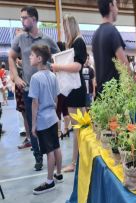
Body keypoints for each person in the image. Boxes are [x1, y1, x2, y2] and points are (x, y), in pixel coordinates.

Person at [8, 6, 60, 171]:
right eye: (21, 18)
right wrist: (15, 77)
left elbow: (59, 57)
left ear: (34, 19)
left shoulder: (47, 39)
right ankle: (38, 157)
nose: (22, 21)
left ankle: (52, 153)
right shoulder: (20, 39)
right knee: (33, 126)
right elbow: (11, 56)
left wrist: (51, 70)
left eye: (25, 17)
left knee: (50, 121)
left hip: (47, 91)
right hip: (29, 90)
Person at [51, 15, 87, 173]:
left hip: (75, 90)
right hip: (74, 89)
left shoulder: (78, 42)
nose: (64, 31)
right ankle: (79, 160)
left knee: (79, 128)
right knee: (82, 127)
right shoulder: (76, 42)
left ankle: (75, 162)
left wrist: (58, 67)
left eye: (65, 28)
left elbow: (78, 66)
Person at [28, 44, 63, 194]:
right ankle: (59, 174)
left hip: (43, 118)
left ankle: (49, 181)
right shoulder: (52, 75)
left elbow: (35, 102)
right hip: (52, 116)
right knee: (56, 147)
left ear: (39, 59)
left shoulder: (35, 78)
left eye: (32, 55)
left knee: (49, 150)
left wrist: (33, 124)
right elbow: (56, 98)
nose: (29, 57)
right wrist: (52, 111)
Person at [92, 0, 129, 96]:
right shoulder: (112, 32)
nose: (118, 10)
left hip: (101, 93)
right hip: (113, 94)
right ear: (111, 6)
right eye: (116, 6)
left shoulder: (96, 34)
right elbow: (123, 64)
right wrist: (133, 82)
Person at [55, 41, 71, 140]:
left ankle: (58, 132)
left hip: (59, 87)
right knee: (65, 110)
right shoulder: (67, 60)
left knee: (58, 110)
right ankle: (66, 129)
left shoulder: (56, 60)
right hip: (67, 87)